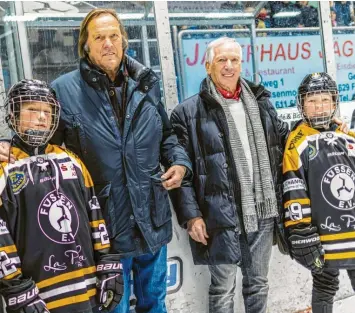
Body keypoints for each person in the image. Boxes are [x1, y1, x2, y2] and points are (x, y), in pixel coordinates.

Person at [0, 8, 191, 313]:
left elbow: (167, 135)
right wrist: (5, 144)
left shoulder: (146, 83)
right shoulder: (64, 90)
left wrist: (179, 163)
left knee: (155, 303)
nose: (108, 43)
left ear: (124, 40)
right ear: (85, 45)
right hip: (105, 231)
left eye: (114, 35)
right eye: (99, 37)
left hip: (152, 221)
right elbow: (39, 142)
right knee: (114, 308)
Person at [169, 36, 289, 313]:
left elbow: (285, 139)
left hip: (262, 210)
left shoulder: (261, 102)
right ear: (208, 65)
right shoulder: (186, 113)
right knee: (223, 287)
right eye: (222, 60)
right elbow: (182, 170)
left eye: (235, 60)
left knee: (258, 282)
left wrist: (326, 126)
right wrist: (191, 216)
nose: (229, 66)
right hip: (219, 214)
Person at [0, 79, 123, 313]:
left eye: (47, 111)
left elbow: (94, 214)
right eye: (32, 110)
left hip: (86, 288)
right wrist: (16, 287)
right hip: (39, 295)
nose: (42, 117)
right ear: (14, 116)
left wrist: (107, 261)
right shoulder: (4, 167)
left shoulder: (71, 161)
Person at [283, 72, 355, 313]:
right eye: (312, 101)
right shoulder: (297, 143)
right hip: (324, 237)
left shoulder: (348, 137)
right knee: (325, 286)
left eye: (325, 100)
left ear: (335, 103)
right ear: (302, 105)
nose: (319, 107)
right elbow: (294, 190)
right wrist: (302, 231)